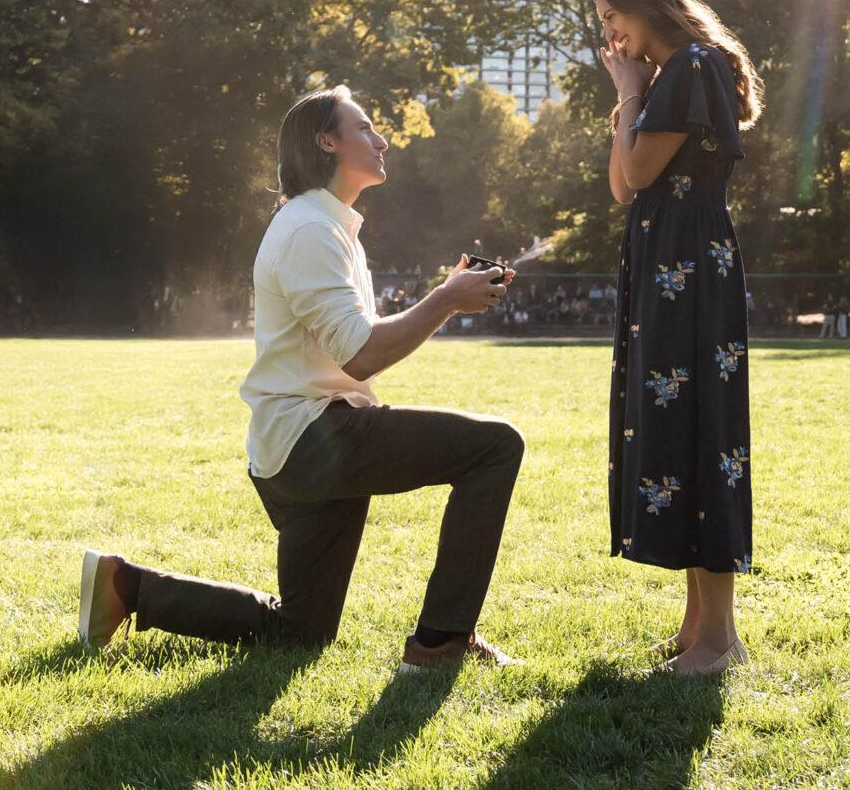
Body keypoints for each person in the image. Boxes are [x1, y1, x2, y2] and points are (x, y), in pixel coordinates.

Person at [76, 86, 526, 669]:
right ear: (326, 141)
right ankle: (440, 643)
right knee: (495, 446)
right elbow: (360, 355)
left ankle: (125, 586)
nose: (381, 139)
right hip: (315, 438)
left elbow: (351, 342)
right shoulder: (310, 229)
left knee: (300, 630)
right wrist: (444, 301)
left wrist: (447, 296)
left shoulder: (325, 226)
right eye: (365, 127)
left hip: (303, 448)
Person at [596, 0, 762, 674]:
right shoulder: (674, 74)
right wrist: (628, 99)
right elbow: (622, 189)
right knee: (681, 423)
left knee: (702, 429)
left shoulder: (692, 64)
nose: (611, 35)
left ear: (645, 5)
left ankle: (720, 640)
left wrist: (630, 93)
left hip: (688, 271)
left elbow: (636, 173)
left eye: (613, 17)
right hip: (670, 266)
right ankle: (700, 627)